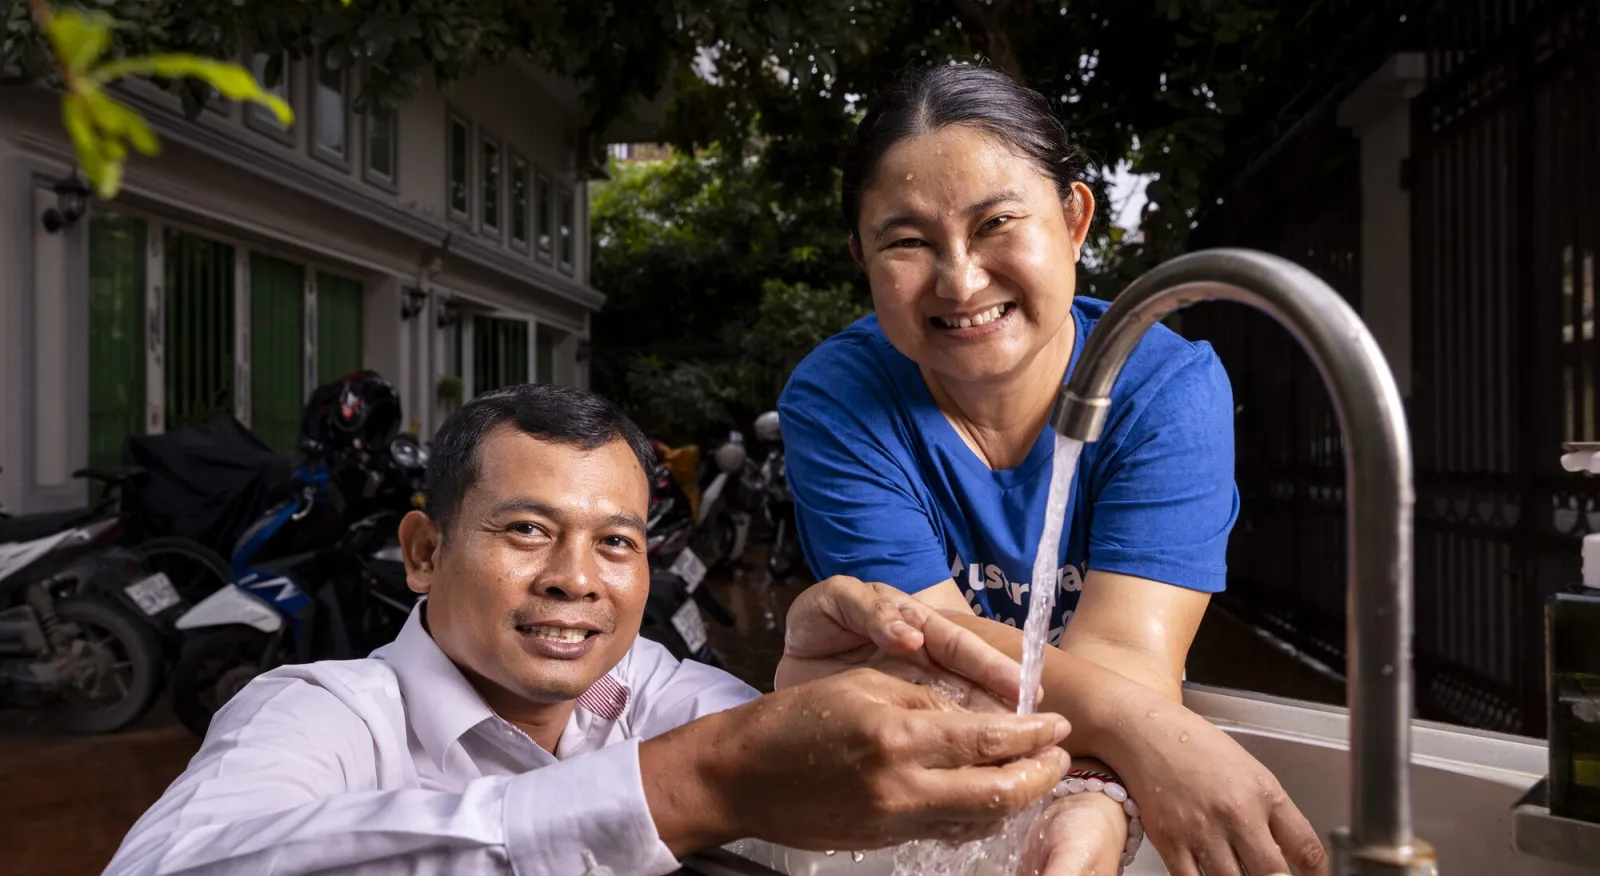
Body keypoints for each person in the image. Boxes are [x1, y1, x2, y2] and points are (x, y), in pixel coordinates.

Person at [103, 383, 1078, 876]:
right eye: (528, 531)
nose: (575, 579)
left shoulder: (656, 692)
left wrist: (824, 702)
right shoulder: (321, 712)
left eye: (615, 542)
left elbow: (808, 764)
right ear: (425, 552)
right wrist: (690, 784)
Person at [777, 63, 1329, 876]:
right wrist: (1158, 740)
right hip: (954, 764)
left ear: (1073, 220)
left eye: (997, 222)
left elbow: (1128, 655)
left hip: (1102, 763)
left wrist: (1095, 803)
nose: (961, 279)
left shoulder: (1163, 389)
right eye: (906, 242)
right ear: (861, 252)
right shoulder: (840, 400)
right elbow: (930, 656)